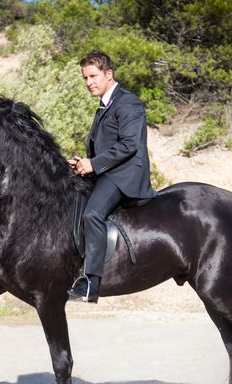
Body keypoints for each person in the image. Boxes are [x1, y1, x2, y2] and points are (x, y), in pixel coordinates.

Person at [67, 51, 156, 303]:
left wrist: (93, 164)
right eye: (84, 78)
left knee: (92, 214)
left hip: (125, 175)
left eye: (93, 76)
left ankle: (90, 283)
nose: (88, 82)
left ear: (109, 74)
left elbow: (129, 145)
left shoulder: (128, 102)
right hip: (108, 172)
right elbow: (104, 148)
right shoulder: (105, 106)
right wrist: (81, 164)